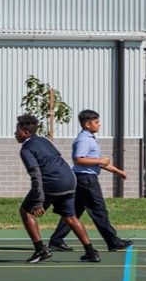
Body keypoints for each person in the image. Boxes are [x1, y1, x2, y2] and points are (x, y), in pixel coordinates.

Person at [49, 110, 132, 255]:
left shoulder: (90, 138)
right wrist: (100, 160)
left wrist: (117, 171)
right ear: (88, 124)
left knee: (73, 212)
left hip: (84, 178)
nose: (99, 125)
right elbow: (79, 159)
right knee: (99, 210)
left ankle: (56, 240)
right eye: (97, 122)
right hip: (86, 179)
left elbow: (95, 162)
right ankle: (113, 241)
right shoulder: (84, 139)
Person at [15, 115, 97, 264]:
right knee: (71, 218)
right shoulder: (45, 141)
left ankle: (41, 249)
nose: (15, 134)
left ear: (26, 133)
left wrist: (39, 201)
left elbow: (36, 174)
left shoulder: (26, 149)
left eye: (17, 131)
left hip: (51, 182)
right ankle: (91, 252)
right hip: (69, 179)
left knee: (26, 211)